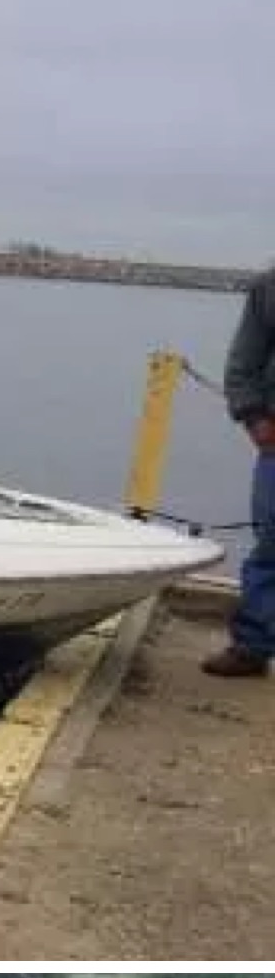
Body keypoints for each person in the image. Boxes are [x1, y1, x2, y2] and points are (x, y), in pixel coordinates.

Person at [204, 263, 275, 677]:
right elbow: (244, 362)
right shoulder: (269, 288)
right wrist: (255, 418)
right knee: (272, 544)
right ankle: (253, 645)